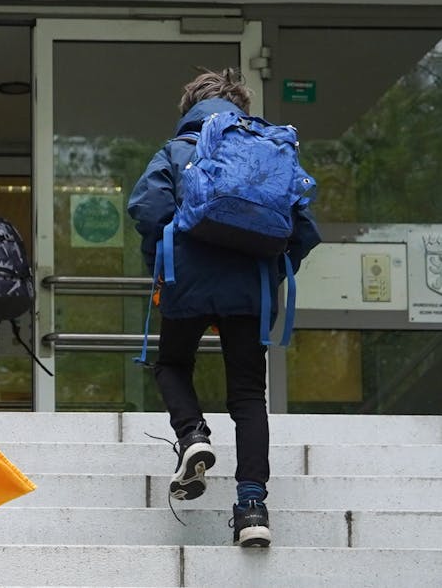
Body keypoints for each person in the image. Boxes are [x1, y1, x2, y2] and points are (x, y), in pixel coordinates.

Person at [125, 68, 320, 548]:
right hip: (250, 288)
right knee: (249, 396)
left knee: (172, 364)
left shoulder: (177, 150)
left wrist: (163, 263)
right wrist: (269, 274)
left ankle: (193, 435)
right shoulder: (266, 151)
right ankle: (252, 508)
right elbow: (303, 230)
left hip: (187, 281)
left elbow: (147, 209)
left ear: (189, 107)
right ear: (241, 108)